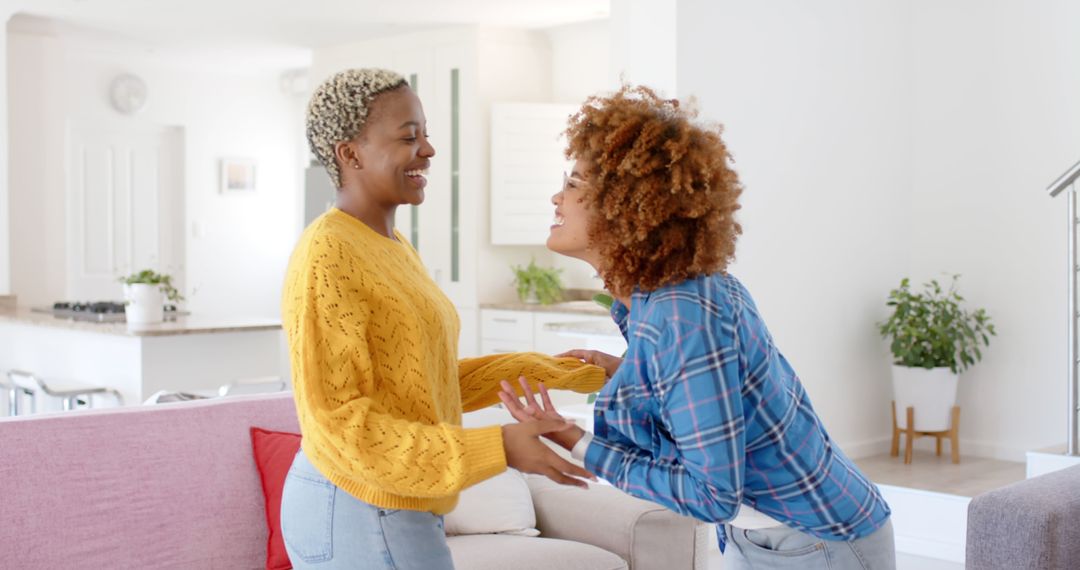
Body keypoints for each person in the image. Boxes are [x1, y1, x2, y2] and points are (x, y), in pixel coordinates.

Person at [498, 85, 895, 569]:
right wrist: (623, 370)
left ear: (627, 203)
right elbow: (705, 394)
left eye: (576, 183)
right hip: (765, 535)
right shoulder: (656, 301)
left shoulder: (683, 314)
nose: (557, 197)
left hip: (819, 541)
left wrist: (576, 442)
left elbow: (712, 495)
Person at [280, 68, 604, 570]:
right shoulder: (328, 255)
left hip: (394, 499)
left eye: (426, 134)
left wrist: (579, 373)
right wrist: (498, 446)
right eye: (410, 137)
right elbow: (342, 427)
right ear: (351, 154)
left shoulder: (389, 246)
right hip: (358, 504)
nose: (428, 150)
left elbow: (426, 383)